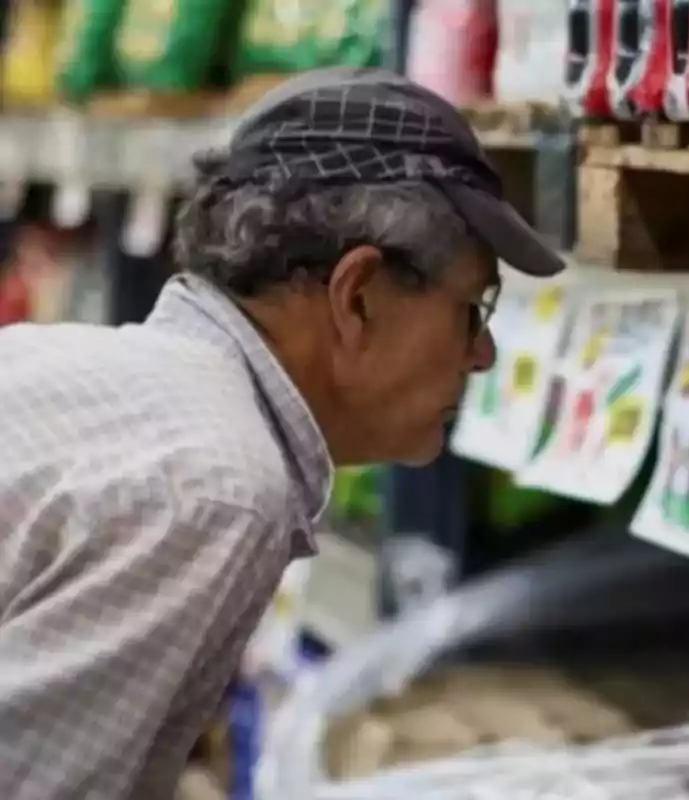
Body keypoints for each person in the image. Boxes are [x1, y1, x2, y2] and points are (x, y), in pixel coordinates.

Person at [0, 68, 565, 799]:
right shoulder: (218, 488)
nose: (482, 353)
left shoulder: (65, 361)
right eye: (473, 308)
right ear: (356, 296)